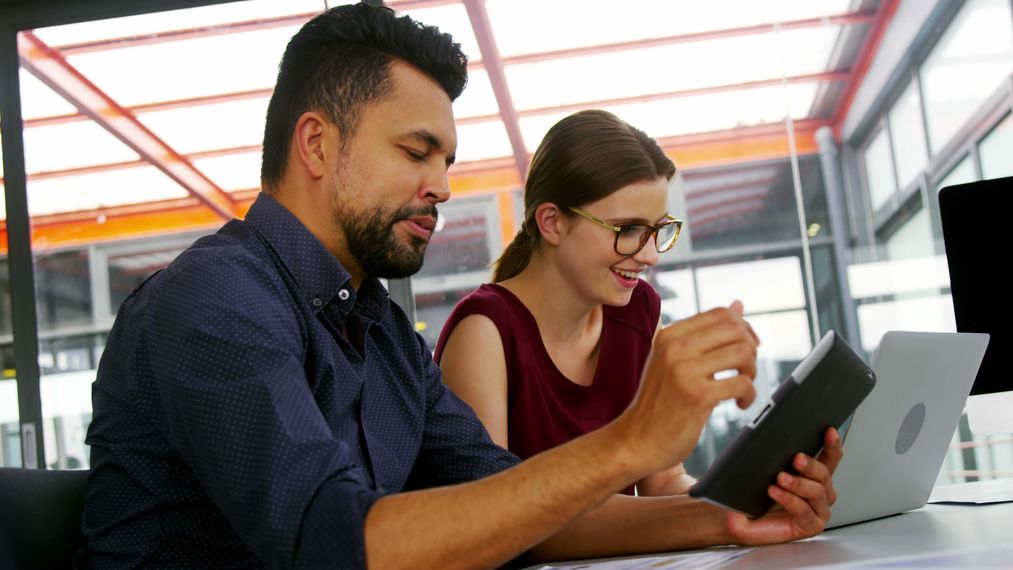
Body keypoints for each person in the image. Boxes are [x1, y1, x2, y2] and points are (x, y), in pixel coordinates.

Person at [77, 4, 840, 569]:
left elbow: (524, 508)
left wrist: (725, 519)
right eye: (418, 151)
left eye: (447, 160)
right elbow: (335, 544)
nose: (443, 185)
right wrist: (633, 440)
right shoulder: (213, 302)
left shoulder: (381, 336)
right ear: (316, 143)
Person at [435, 109, 843, 550]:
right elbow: (498, 522)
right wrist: (717, 518)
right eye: (628, 230)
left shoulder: (637, 309)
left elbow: (664, 479)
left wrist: (753, 501)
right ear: (551, 222)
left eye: (658, 231)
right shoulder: (484, 331)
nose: (650, 256)